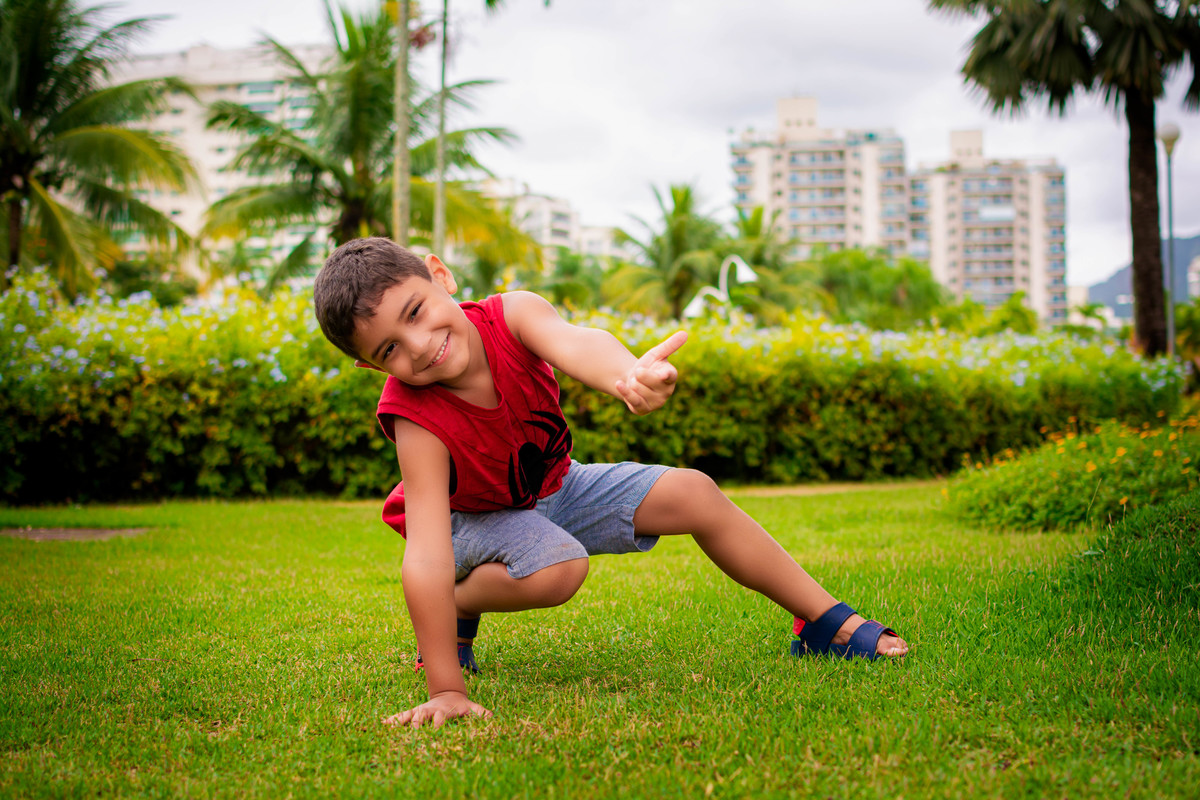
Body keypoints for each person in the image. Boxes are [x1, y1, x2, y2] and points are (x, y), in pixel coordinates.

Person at [312, 237, 908, 729]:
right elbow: (427, 552)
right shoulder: (416, 420)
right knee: (559, 566)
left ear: (440, 276)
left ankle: (823, 623)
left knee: (694, 491)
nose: (420, 346)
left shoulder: (510, 314)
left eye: (415, 311)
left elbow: (577, 342)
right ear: (372, 366)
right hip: (469, 521)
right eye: (391, 347)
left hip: (554, 486)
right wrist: (446, 687)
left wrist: (628, 374)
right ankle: (458, 606)